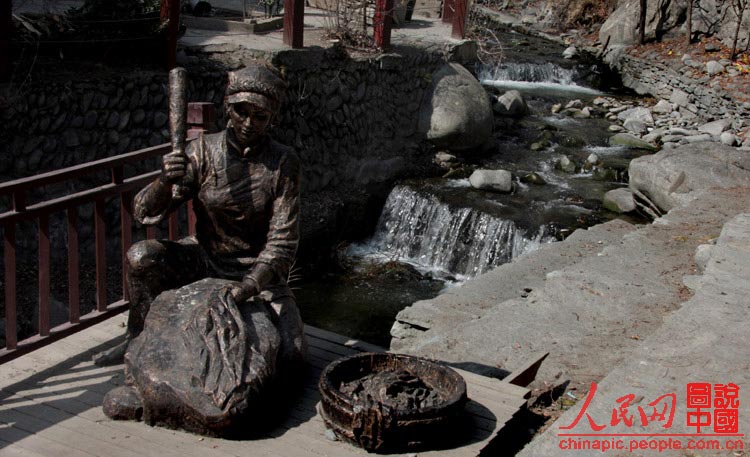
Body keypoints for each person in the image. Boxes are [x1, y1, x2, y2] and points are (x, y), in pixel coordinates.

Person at [94, 62, 305, 368]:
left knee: (292, 356)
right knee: (141, 256)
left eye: (259, 116)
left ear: (272, 118)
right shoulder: (202, 151)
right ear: (227, 108)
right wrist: (164, 181)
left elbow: (283, 244)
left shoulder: (284, 163)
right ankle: (136, 335)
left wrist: (248, 285)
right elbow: (144, 212)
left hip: (258, 272)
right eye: (241, 112)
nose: (248, 123)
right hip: (205, 258)